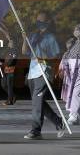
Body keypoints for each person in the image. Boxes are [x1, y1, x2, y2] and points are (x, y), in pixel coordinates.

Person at [22, 11, 66, 139]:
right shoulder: (34, 35)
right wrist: (25, 39)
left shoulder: (51, 37)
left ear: (48, 22)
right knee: (38, 102)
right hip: (33, 72)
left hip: (44, 71)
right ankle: (59, 122)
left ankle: (36, 131)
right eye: (37, 20)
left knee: (37, 102)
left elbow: (56, 56)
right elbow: (25, 51)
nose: (38, 22)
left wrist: (43, 59)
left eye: (41, 20)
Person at [0, 39, 18, 106]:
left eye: (11, 42)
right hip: (6, 70)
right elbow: (3, 58)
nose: (10, 43)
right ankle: (13, 96)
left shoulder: (15, 51)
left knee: (9, 86)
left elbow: (12, 61)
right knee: (3, 84)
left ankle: (9, 101)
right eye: (9, 42)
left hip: (11, 70)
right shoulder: (7, 51)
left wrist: (3, 64)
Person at [59, 37, 76, 106]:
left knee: (74, 94)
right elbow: (62, 64)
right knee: (69, 93)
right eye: (68, 44)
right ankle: (70, 108)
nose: (69, 46)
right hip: (67, 77)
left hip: (74, 76)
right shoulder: (66, 54)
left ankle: (73, 111)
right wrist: (61, 71)